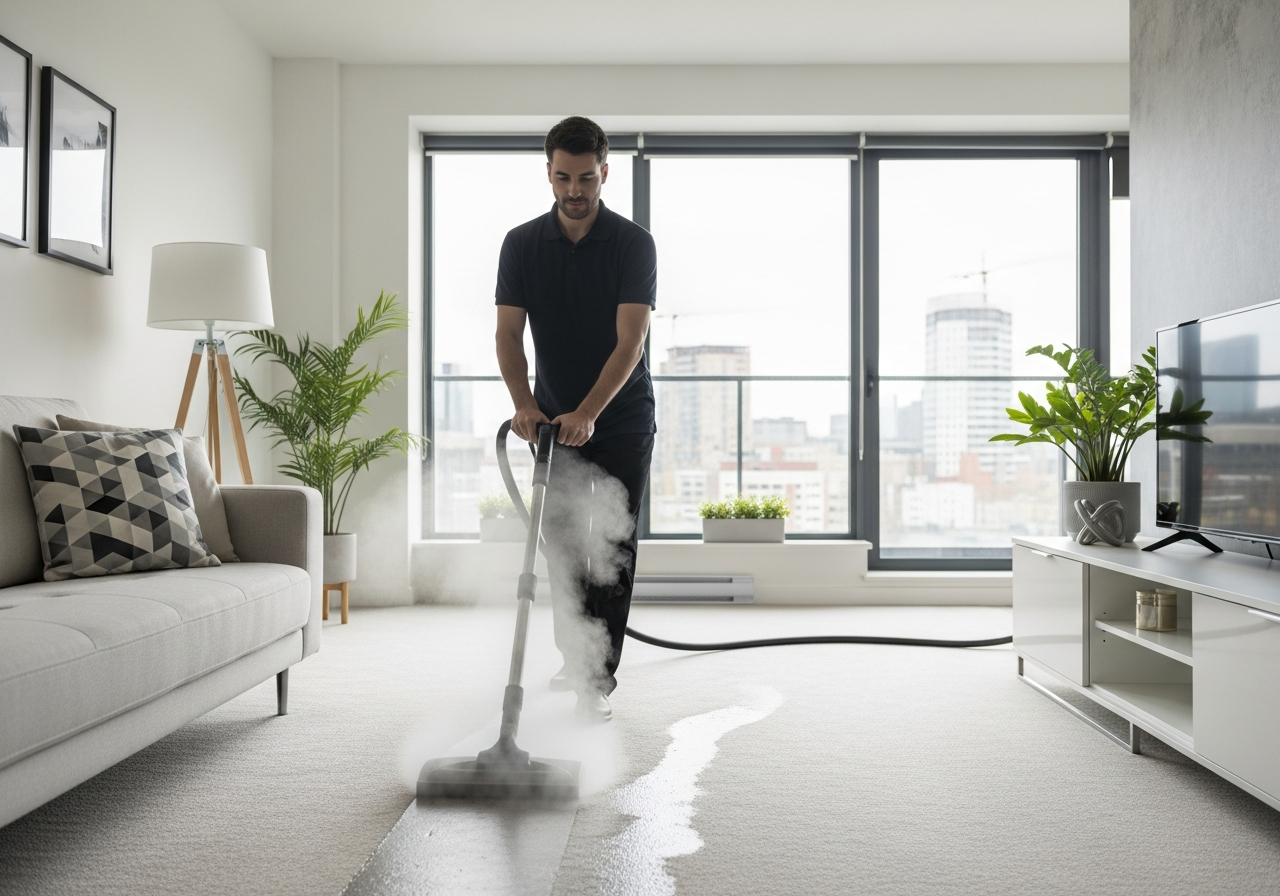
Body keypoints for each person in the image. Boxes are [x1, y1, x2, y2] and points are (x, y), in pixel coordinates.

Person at [494, 116, 656, 723]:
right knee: (562, 545)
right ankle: (577, 657)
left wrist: (590, 411)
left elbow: (631, 342)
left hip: (621, 417)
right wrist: (524, 404)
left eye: (586, 178)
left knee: (611, 545)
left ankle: (597, 681)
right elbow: (507, 334)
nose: (574, 190)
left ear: (604, 172)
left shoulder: (633, 243)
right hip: (551, 419)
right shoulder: (521, 244)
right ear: (549, 173)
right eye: (563, 177)